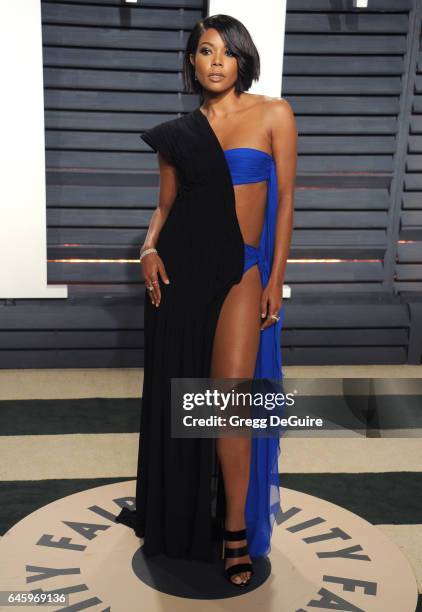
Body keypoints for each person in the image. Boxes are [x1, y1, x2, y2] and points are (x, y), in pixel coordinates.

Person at [115, 14, 297, 588]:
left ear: (242, 58)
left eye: (227, 51)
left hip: (242, 269)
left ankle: (237, 531)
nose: (216, 60)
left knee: (228, 404)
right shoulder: (178, 133)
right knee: (182, 406)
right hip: (181, 274)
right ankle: (187, 516)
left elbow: (286, 203)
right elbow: (165, 210)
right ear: (191, 62)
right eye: (204, 51)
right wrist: (147, 250)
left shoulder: (273, 114)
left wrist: (274, 278)